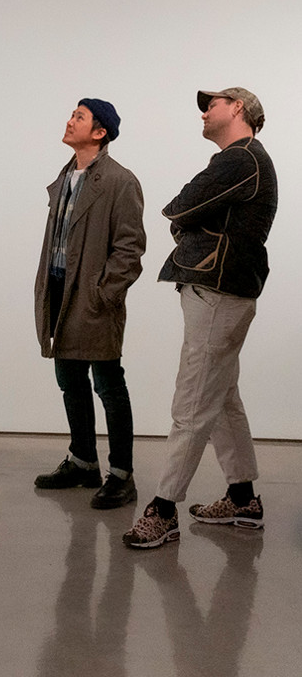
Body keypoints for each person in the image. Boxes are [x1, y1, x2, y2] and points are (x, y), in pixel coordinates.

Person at [123, 87, 278, 549]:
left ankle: (163, 509)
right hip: (222, 290)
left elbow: (180, 206)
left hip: (217, 289)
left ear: (238, 109)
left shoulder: (240, 158)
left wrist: (187, 222)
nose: (205, 110)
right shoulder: (245, 160)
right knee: (222, 396)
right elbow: (186, 212)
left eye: (213, 103)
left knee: (192, 400)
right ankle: (243, 497)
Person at [34, 98, 146, 508]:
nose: (69, 120)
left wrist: (104, 293)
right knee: (70, 381)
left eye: (78, 117)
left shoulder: (120, 181)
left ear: (99, 132)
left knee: (108, 384)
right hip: (61, 290)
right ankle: (83, 461)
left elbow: (130, 248)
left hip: (93, 296)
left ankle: (121, 474)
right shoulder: (65, 177)